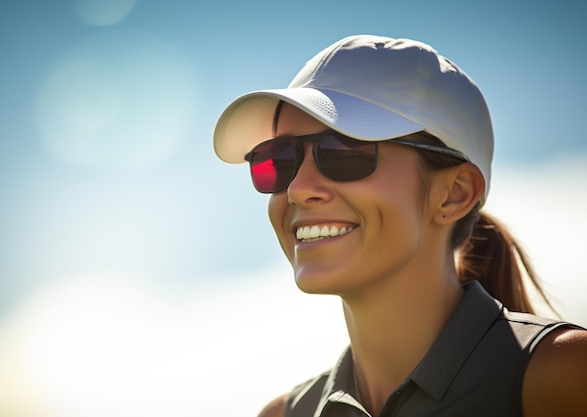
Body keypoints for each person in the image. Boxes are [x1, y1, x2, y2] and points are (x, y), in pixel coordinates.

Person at [213, 35, 587, 416]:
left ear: (454, 194)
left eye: (344, 152)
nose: (298, 189)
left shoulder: (567, 374)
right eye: (278, 159)